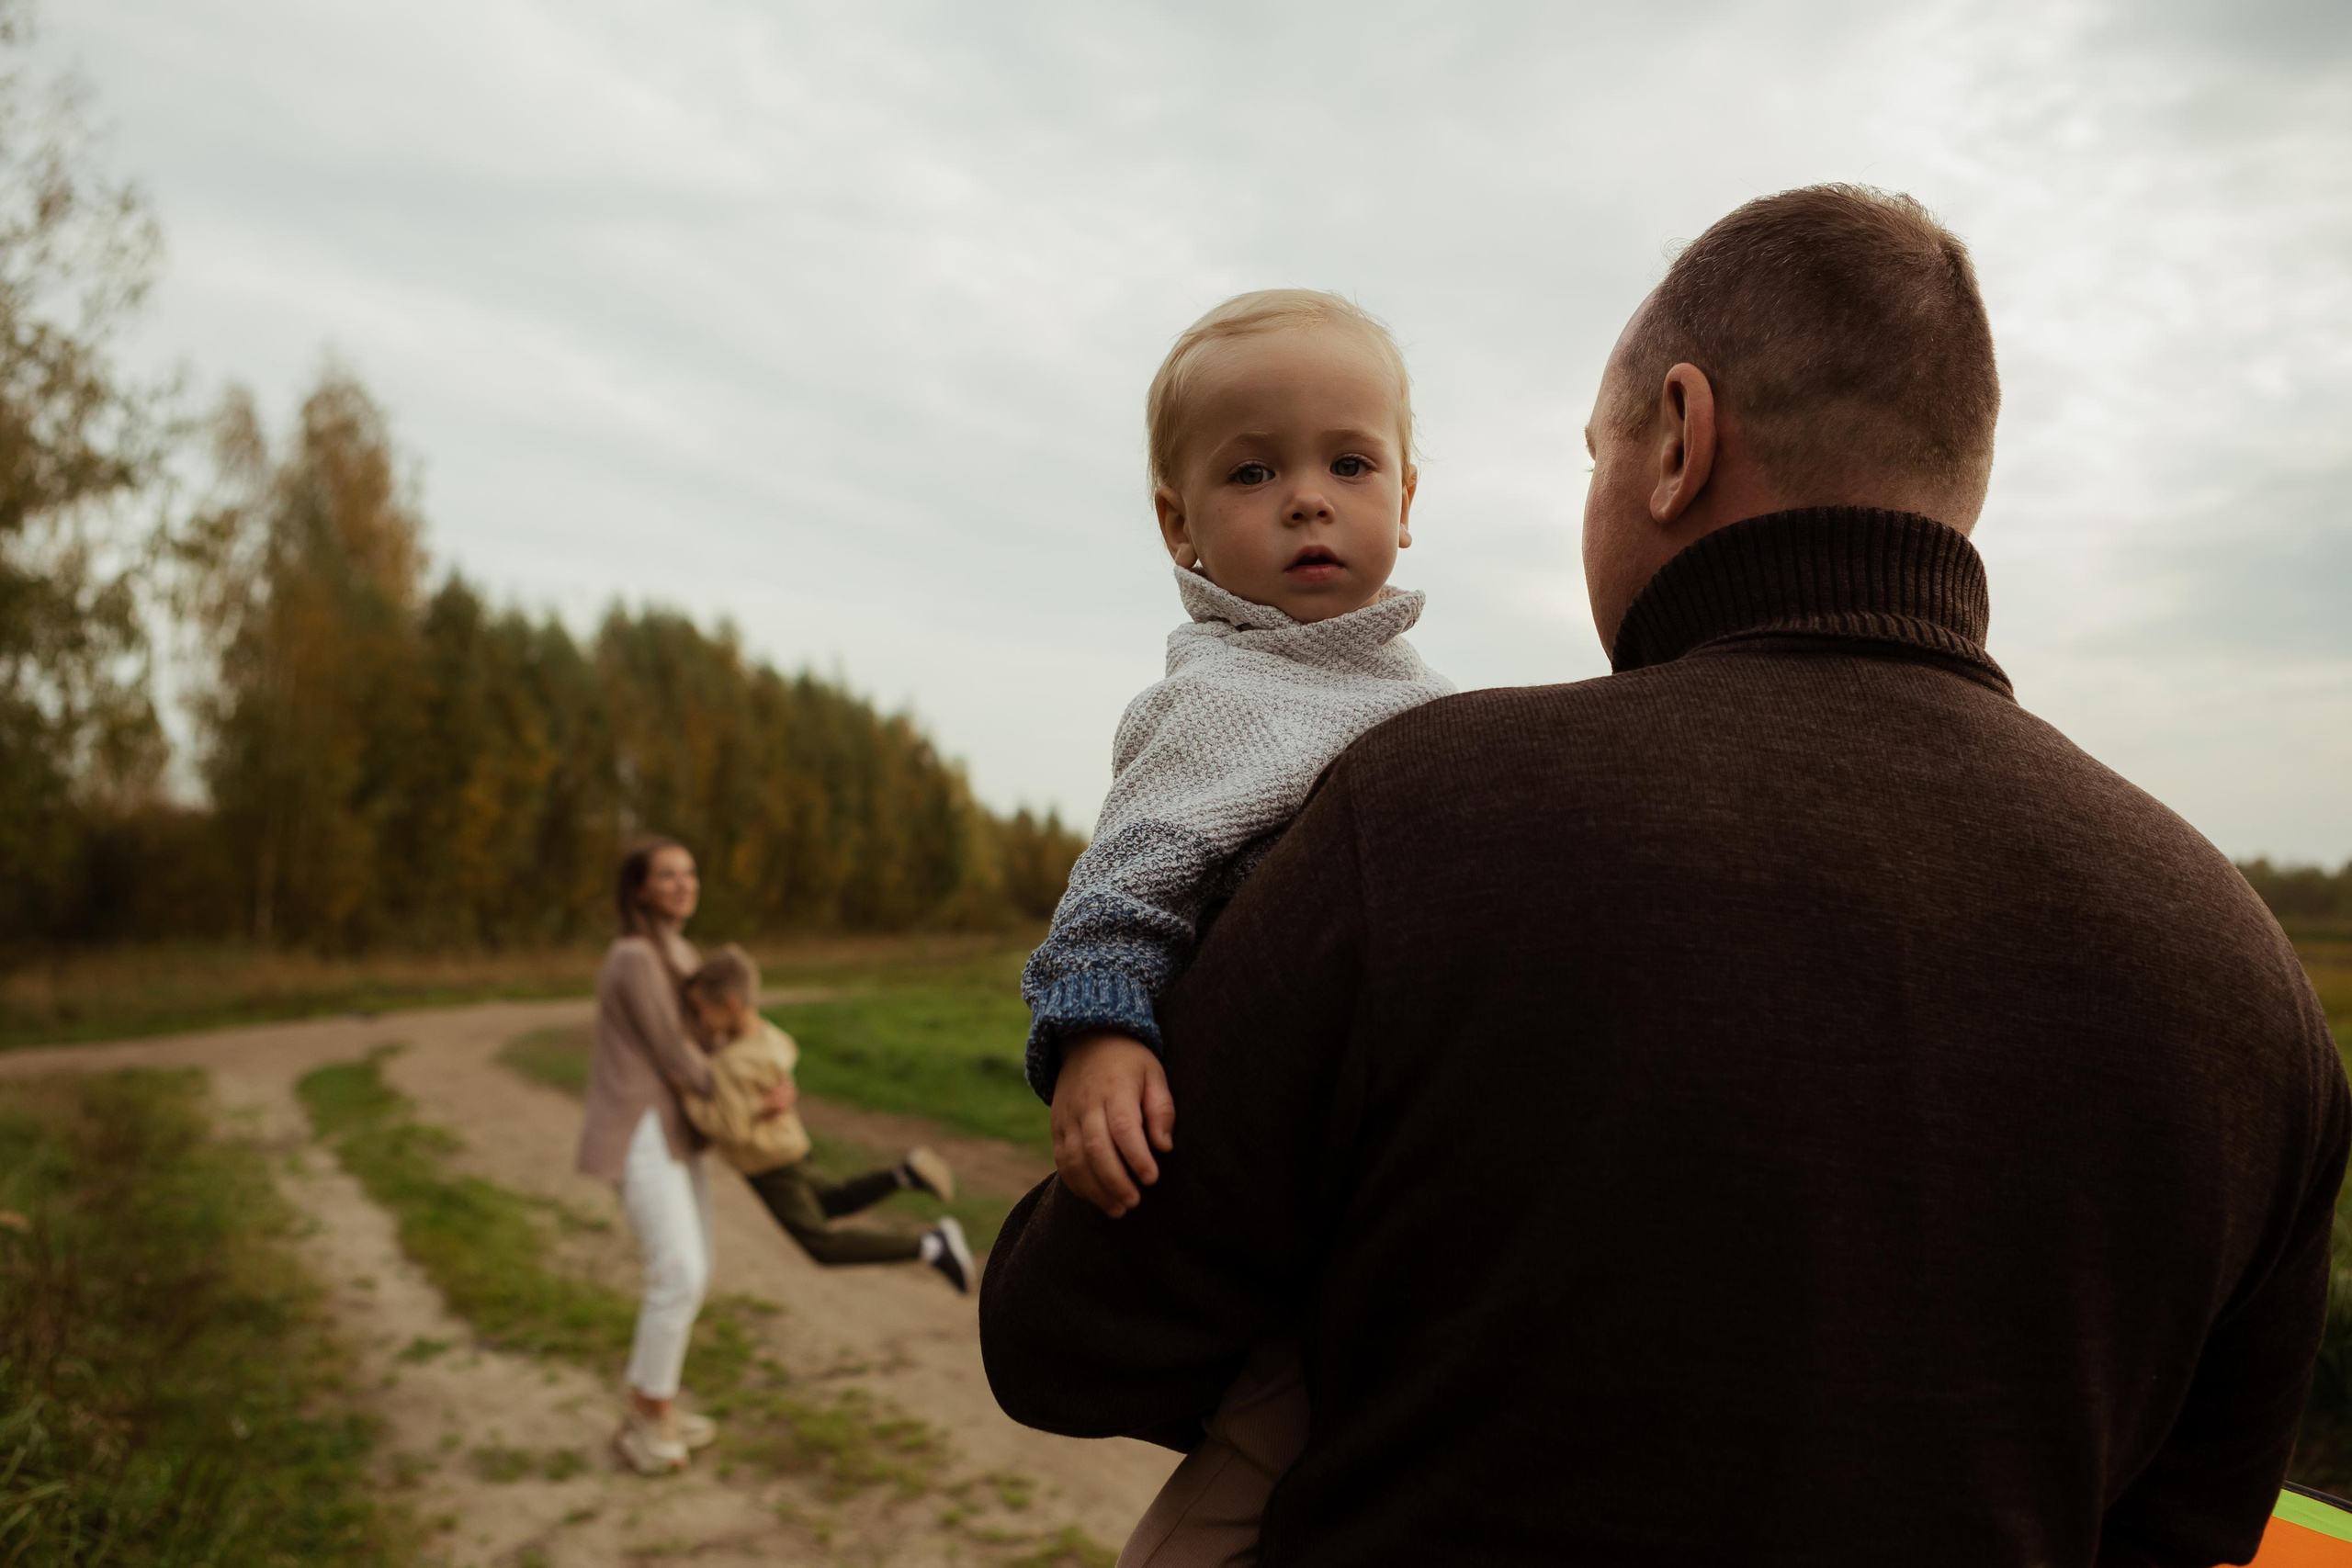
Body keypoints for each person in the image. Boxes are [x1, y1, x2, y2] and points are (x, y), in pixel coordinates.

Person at [981, 186, 2350, 1567]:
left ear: (1681, 440)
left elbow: (1067, 1338)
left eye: (1595, 450)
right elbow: (2198, 1523)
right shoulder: (2250, 979)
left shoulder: (1420, 806)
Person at [1017, 288, 1453, 1564]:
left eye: (1349, 461)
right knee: (1263, 1458)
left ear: (1409, 495)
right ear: (1181, 524)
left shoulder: (1425, 701)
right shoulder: (1217, 698)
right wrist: (1099, 1034)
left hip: (1408, 1158)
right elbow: (1122, 886)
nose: (1308, 497)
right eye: (1254, 470)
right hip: (1276, 1167)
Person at [575, 837, 785, 1476]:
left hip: (676, 1132)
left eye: (689, 871)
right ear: (638, 888)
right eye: (666, 874)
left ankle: (651, 1405)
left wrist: (771, 1070)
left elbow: (724, 1033)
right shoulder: (635, 956)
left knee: (694, 1268)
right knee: (679, 1271)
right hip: (641, 1128)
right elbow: (676, 1053)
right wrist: (747, 1097)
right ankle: (646, 1417)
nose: (682, 883)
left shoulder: (683, 953)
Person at [674, 944, 976, 1292]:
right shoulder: (770, 1038)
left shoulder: (729, 1064)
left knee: (820, 1245)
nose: (699, 1021)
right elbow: (786, 1059)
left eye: (700, 1011)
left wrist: (688, 1100)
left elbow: (731, 1130)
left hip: (768, 1165)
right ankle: (903, 1175)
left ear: (729, 1005)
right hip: (792, 1146)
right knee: (831, 1201)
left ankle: (932, 1247)